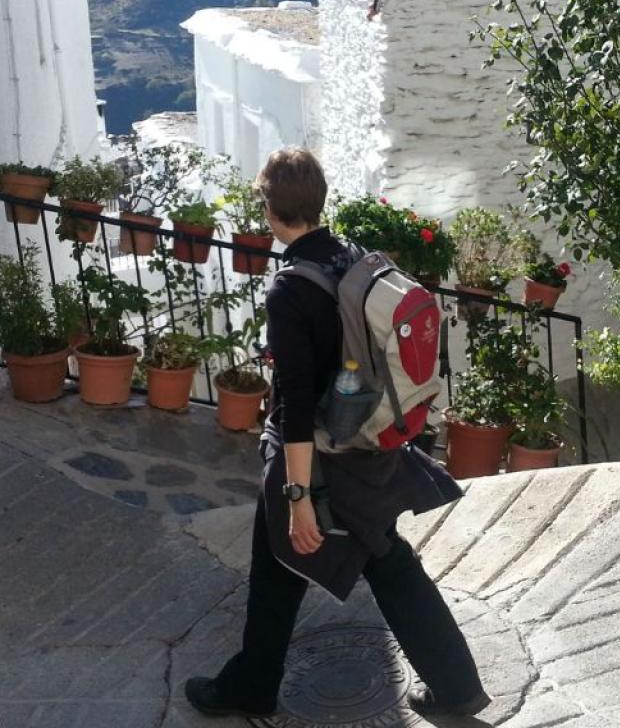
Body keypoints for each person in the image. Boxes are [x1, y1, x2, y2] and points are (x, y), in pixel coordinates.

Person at [185, 147, 490, 719]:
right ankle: (457, 686)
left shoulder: (288, 290)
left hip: (325, 456)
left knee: (302, 558)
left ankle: (251, 688)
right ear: (319, 202)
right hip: (372, 441)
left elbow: (297, 406)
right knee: (371, 560)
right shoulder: (351, 258)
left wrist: (299, 497)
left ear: (272, 215)